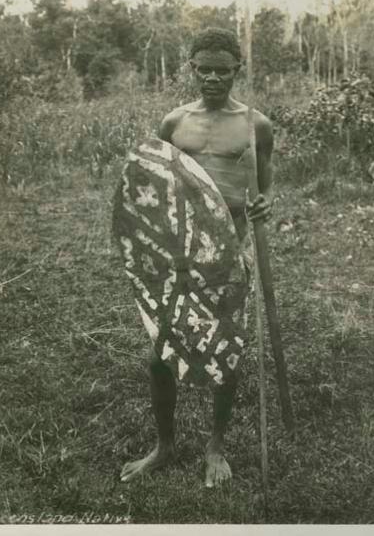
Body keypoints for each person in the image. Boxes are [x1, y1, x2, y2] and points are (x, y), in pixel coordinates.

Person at [120, 27, 274, 487]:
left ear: (236, 70)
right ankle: (164, 447)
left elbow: (265, 182)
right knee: (159, 356)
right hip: (177, 254)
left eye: (222, 70)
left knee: (224, 354)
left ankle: (216, 448)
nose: (211, 78)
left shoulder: (255, 125)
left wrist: (265, 201)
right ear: (191, 68)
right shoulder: (173, 123)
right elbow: (154, 180)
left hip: (226, 254)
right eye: (203, 69)